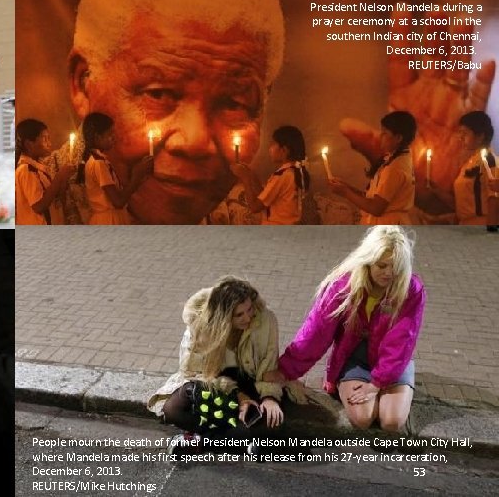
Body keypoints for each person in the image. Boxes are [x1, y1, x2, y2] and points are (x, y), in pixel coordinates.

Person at [64, 0, 284, 224]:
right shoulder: (44, 200)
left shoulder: (248, 218)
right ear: (83, 83)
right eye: (158, 94)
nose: (194, 141)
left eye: (233, 103)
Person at [270, 226, 425, 432]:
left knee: (391, 422)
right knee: (362, 419)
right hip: (354, 355)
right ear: (368, 262)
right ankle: (373, 389)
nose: (389, 273)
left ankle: (391, 385)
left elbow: (402, 340)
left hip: (394, 359)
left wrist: (377, 383)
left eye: (396, 266)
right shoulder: (342, 286)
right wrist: (285, 370)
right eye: (382, 265)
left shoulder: (410, 289)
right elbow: (316, 333)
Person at [147, 277, 285, 451]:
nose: (248, 317)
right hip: (215, 384)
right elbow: (193, 372)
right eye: (239, 314)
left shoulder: (266, 320)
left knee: (268, 419)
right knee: (173, 408)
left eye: (249, 309)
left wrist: (269, 397)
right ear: (223, 316)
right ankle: (238, 441)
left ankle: (200, 440)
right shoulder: (201, 325)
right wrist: (238, 396)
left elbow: (269, 362)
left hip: (249, 382)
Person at [329, 111, 416, 225]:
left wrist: (345, 192)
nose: (380, 136)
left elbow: (376, 208)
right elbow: (372, 198)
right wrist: (346, 187)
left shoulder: (396, 167)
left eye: (385, 133)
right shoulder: (394, 160)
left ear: (398, 137)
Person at [78, 112, 153, 224]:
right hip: (109, 221)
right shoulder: (98, 163)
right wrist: (135, 177)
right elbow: (118, 201)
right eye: (110, 134)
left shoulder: (101, 160)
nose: (114, 138)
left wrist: (139, 177)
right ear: (98, 137)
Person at [231, 126, 312, 225]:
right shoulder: (295, 171)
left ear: (284, 150)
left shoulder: (282, 176)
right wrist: (251, 174)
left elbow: (255, 207)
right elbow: (265, 198)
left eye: (273, 144)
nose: (270, 149)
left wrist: (245, 178)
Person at [16, 119, 76, 225]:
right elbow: (39, 206)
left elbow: (53, 198)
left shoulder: (39, 168)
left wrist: (64, 178)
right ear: (29, 144)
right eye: (45, 139)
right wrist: (58, 177)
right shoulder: (26, 170)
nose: (49, 143)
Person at [450, 111, 495, 226]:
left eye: (465, 133)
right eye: (460, 133)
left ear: (480, 136)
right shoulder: (470, 163)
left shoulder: (489, 161)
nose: (461, 138)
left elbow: (494, 200)